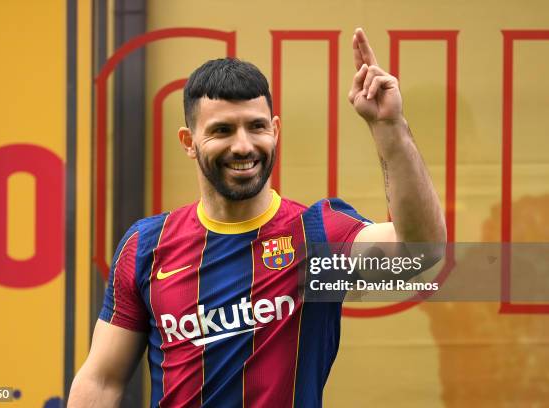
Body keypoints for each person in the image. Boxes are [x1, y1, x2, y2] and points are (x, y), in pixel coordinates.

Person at [68, 28, 446, 407]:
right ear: (189, 142)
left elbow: (421, 251)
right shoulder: (147, 245)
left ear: (275, 131)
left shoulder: (315, 235)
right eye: (222, 130)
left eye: (257, 126)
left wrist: (389, 127)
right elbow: (102, 381)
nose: (244, 145)